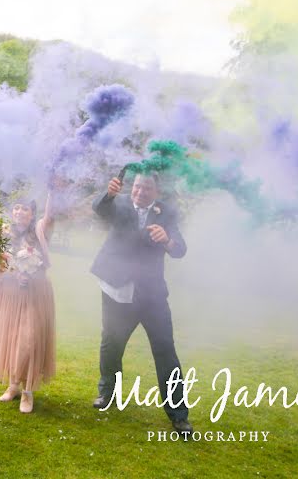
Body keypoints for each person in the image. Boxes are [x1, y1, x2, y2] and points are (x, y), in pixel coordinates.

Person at [90, 172, 193, 434]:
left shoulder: (167, 212)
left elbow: (180, 248)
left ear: (156, 191)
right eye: (136, 186)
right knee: (111, 343)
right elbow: (99, 209)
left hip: (152, 294)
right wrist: (110, 193)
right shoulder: (119, 203)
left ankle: (179, 415)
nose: (139, 191)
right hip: (117, 287)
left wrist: (167, 240)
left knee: (165, 350)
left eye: (146, 187)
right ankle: (107, 394)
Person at [0, 195, 56, 413]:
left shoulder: (39, 231)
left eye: (24, 208)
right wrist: (14, 273)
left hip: (35, 293)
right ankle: (14, 385)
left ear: (32, 213)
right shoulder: (3, 234)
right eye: (16, 208)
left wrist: (53, 188)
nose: (19, 212)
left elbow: (50, 216)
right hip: (11, 292)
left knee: (30, 338)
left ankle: (28, 391)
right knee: (12, 339)